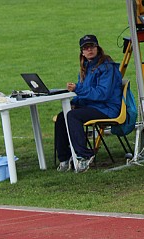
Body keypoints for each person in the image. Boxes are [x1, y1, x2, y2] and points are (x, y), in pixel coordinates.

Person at [54, 34, 123, 173]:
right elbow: (87, 94)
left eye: (92, 46)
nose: (89, 50)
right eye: (85, 48)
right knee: (62, 116)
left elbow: (102, 94)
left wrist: (77, 89)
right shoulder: (85, 68)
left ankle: (85, 155)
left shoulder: (107, 67)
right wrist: (75, 102)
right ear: (82, 52)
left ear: (97, 48)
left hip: (107, 108)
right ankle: (64, 158)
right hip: (93, 106)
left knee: (73, 116)